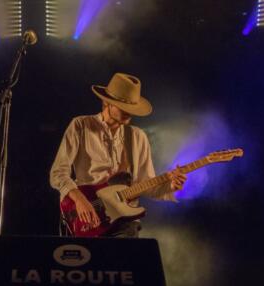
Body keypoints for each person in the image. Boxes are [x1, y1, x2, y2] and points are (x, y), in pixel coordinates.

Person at [50, 73, 187, 237]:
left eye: (132, 108)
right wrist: (80, 200)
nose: (129, 112)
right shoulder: (81, 125)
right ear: (106, 102)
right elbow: (58, 173)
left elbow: (145, 184)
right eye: (123, 106)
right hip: (88, 215)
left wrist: (170, 186)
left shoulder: (137, 137)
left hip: (124, 220)